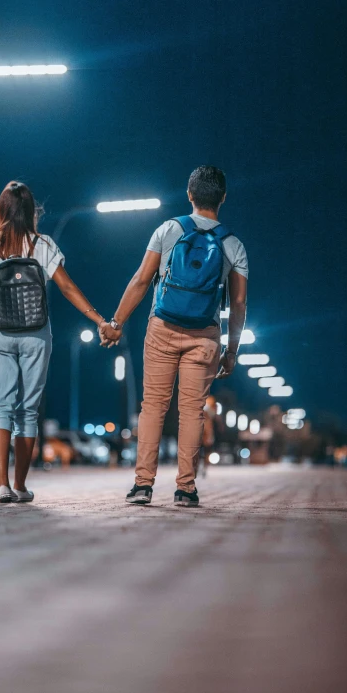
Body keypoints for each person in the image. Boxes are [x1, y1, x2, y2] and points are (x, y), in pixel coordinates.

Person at [100, 166, 248, 506]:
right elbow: (238, 304)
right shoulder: (233, 245)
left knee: (152, 406)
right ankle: (185, 489)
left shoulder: (169, 229)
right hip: (205, 336)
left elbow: (141, 280)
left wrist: (117, 322)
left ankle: (142, 486)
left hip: (162, 327)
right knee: (192, 411)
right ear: (223, 198)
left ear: (189, 194)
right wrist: (232, 350)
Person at [0, 181, 106, 504]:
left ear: (0, 211)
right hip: (35, 334)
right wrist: (99, 320)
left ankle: (1, 485)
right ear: (30, 212)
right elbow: (68, 288)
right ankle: (20, 485)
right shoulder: (42, 245)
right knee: (27, 412)